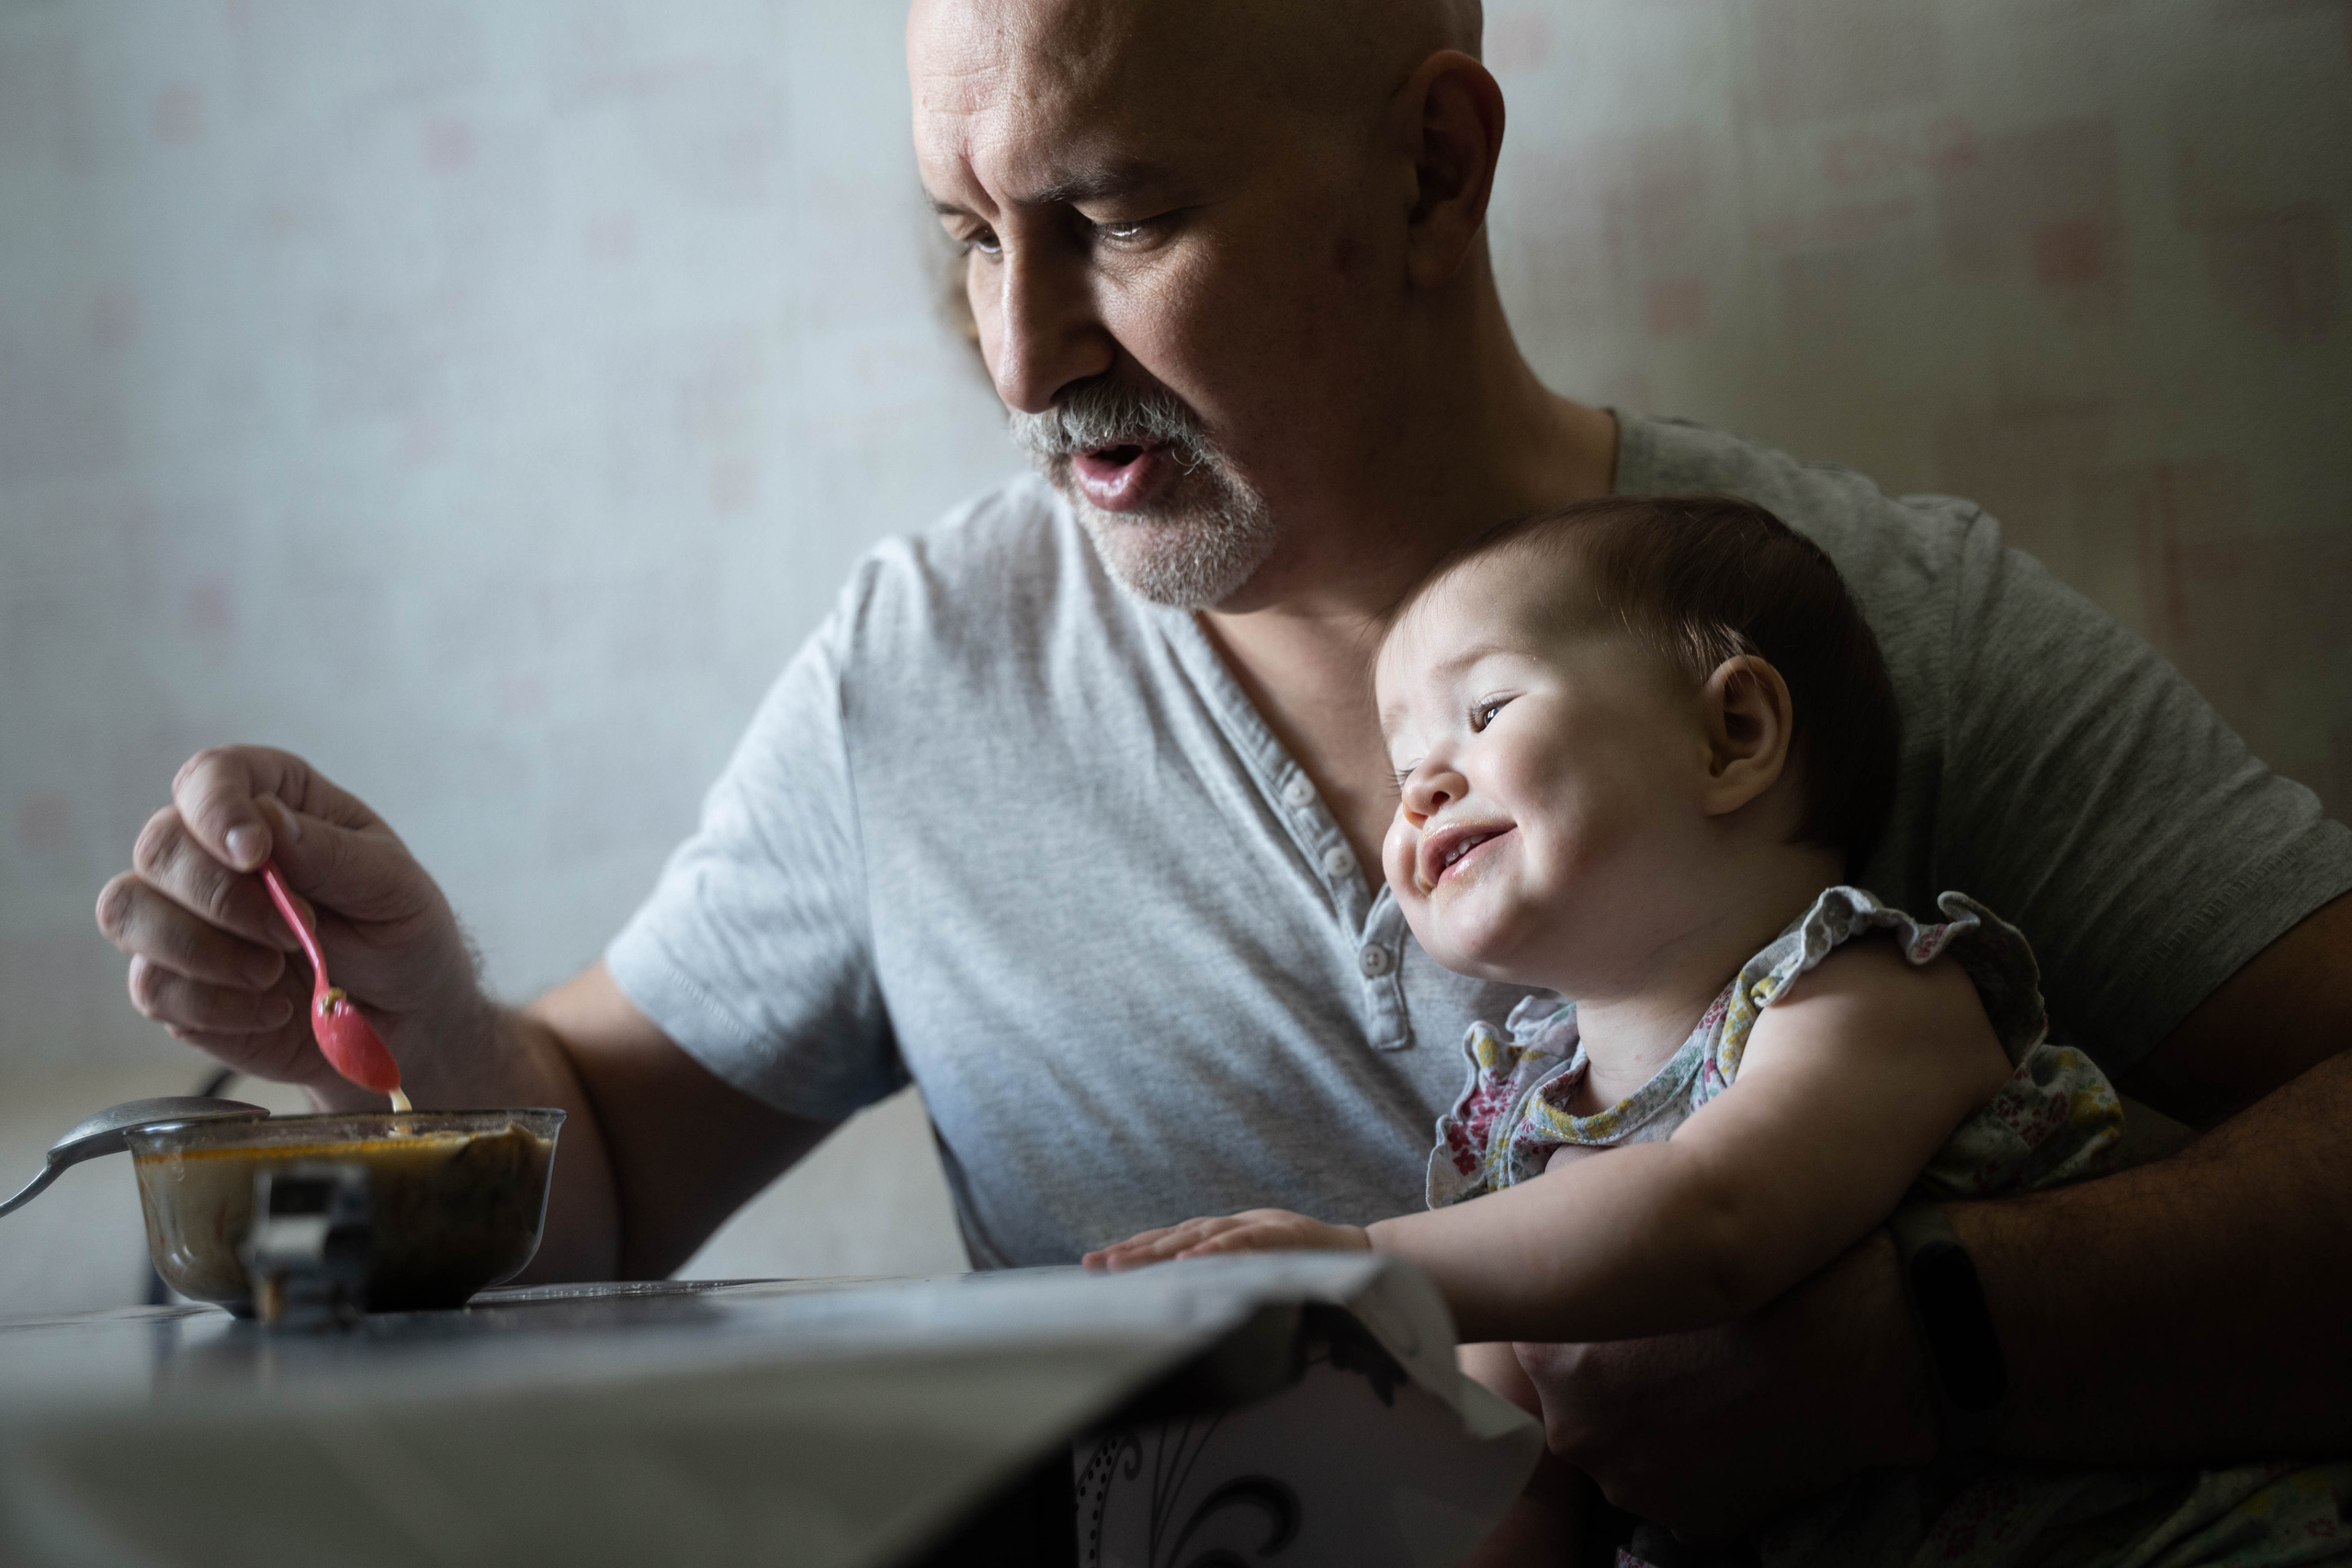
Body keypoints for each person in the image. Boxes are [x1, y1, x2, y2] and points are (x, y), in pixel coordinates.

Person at [93, 0, 2351, 1553]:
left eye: (1115, 216)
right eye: (968, 233)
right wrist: (408, 1001)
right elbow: (582, 1172)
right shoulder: (919, 673)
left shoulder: (1854, 621)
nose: (1016, 351)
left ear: (1431, 164)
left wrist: (1909, 1348)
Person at [1090, 495, 2351, 1567]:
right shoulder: (1515, 1132)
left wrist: (1362, 1266)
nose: (1423, 782)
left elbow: (1714, 1223)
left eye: (1482, 715)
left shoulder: (1870, 992)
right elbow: (1520, 1474)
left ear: (1731, 735)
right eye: (1403, 756)